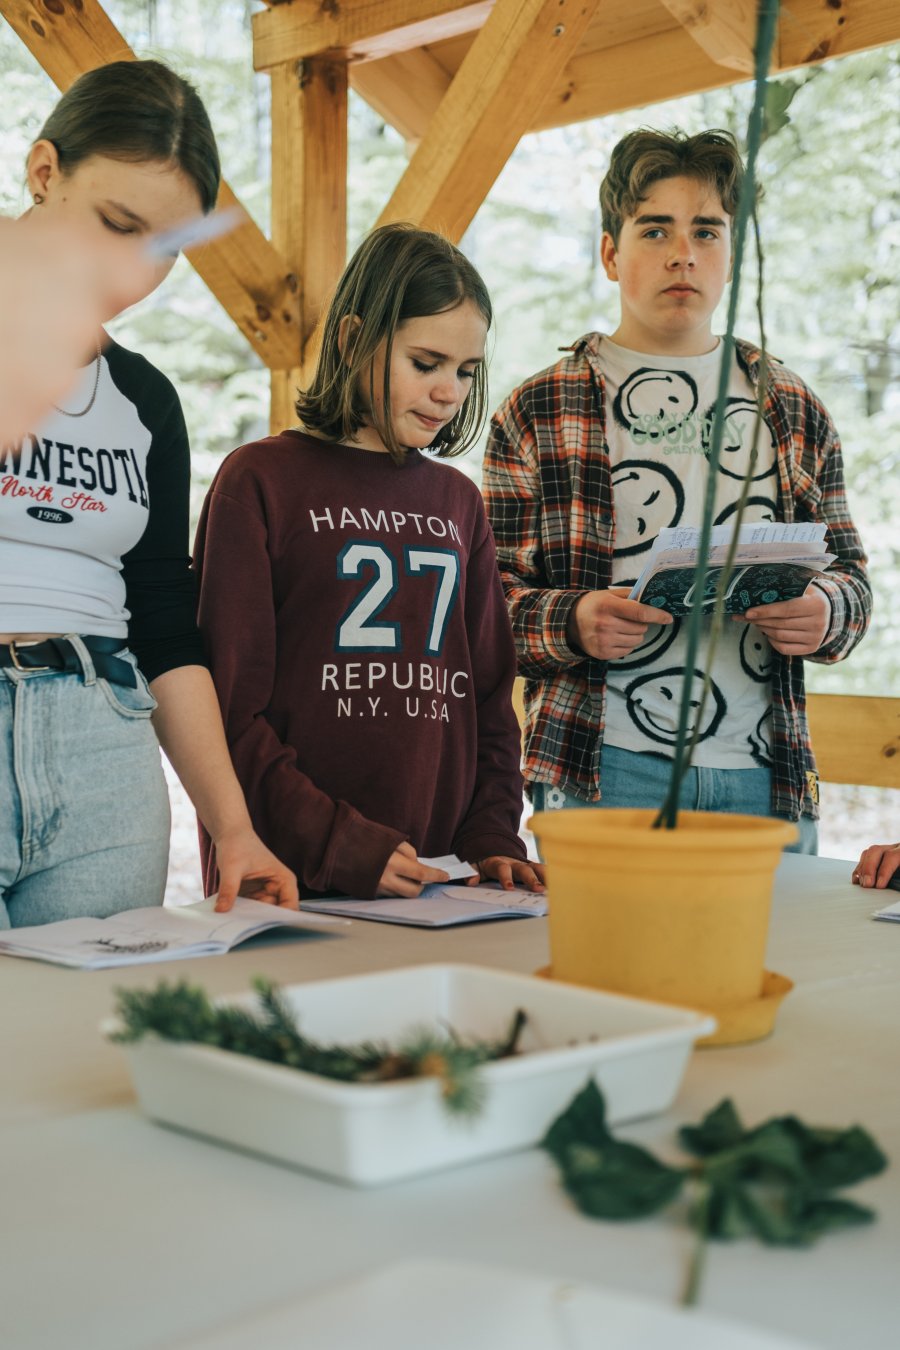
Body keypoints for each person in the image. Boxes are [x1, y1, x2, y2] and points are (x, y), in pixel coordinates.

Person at [483, 129, 871, 851]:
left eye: (706, 231)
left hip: (767, 772)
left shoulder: (794, 408)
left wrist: (825, 610)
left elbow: (853, 581)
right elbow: (481, 612)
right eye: (654, 228)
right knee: (600, 969)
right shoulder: (536, 409)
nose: (681, 253)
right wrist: (572, 621)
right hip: (600, 770)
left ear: (732, 256)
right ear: (610, 253)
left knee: (773, 967)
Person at [0, 59, 298, 928]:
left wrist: (233, 828)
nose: (131, 271)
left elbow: (165, 620)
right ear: (44, 171)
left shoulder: (144, 399)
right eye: (116, 224)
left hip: (105, 754)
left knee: (81, 1043)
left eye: (162, 249)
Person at [194, 223, 543, 899]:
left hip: (437, 886)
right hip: (288, 880)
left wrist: (494, 837)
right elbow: (228, 712)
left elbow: (489, 704)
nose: (450, 392)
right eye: (426, 362)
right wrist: (341, 844)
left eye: (466, 372)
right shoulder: (258, 481)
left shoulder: (457, 502)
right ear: (354, 339)